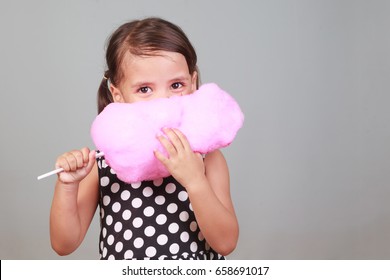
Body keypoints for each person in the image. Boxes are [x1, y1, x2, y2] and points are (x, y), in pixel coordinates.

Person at [50, 17, 239, 260]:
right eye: (145, 89)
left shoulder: (207, 158)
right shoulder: (104, 163)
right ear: (117, 95)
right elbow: (64, 244)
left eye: (176, 85)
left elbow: (226, 243)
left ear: (193, 84)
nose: (162, 101)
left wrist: (195, 181)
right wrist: (67, 185)